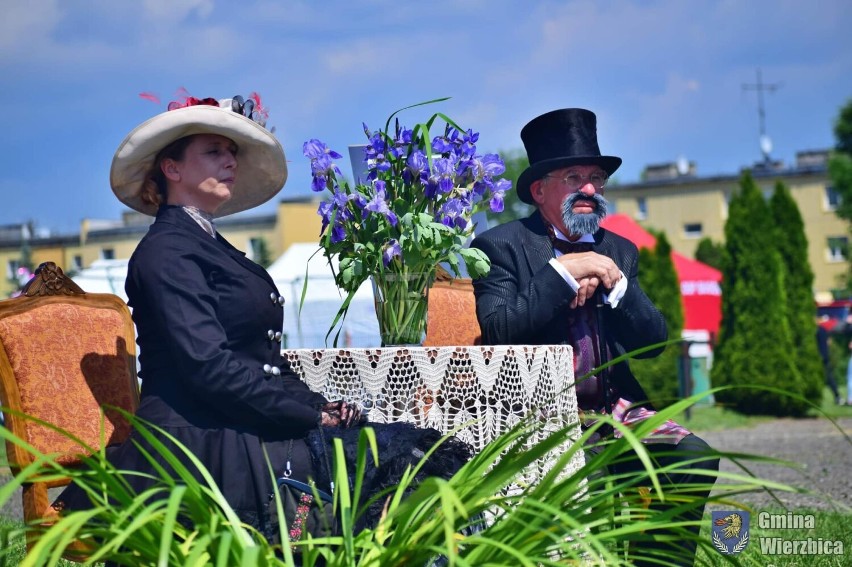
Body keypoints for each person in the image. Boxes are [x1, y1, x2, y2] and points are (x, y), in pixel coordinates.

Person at [54, 93, 471, 543]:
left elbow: (263, 360)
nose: (229, 161)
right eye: (213, 151)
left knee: (411, 455)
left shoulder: (207, 244)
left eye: (231, 152)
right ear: (171, 169)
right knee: (397, 461)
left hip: (234, 421)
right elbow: (209, 369)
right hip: (198, 440)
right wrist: (306, 418)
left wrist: (318, 406)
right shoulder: (165, 252)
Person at [470, 108, 719, 566]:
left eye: (596, 178)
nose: (589, 189)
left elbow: (654, 342)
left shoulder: (618, 249)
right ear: (540, 190)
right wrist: (563, 273)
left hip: (615, 409)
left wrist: (616, 285)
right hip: (539, 412)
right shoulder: (499, 246)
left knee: (693, 458)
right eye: (574, 177)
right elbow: (498, 329)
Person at [816, 321, 841, 405]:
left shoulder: (818, 330)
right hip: (825, 356)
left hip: (821, 357)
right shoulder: (823, 330)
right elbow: (829, 342)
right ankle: (837, 396)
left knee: (828, 377)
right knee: (829, 377)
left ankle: (837, 396)